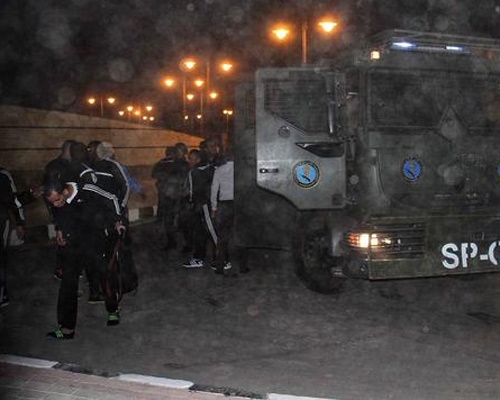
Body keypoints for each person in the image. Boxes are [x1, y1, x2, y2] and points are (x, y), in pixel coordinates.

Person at [44, 172, 126, 340]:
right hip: (73, 243)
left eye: (58, 200)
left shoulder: (88, 189)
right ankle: (67, 328)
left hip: (96, 240)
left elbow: (111, 198)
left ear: (65, 191)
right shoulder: (57, 200)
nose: (56, 204)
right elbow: (59, 213)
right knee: (68, 282)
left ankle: (112, 310)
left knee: (105, 274)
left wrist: (118, 221)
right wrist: (59, 228)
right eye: (52, 202)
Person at [43, 140, 76, 281]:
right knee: (64, 241)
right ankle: (61, 270)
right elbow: (50, 195)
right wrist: (58, 225)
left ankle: (71, 269)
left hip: (70, 211)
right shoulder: (55, 167)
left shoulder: (68, 165)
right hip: (62, 211)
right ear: (69, 150)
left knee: (71, 241)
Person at [152, 143, 189, 252]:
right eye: (177, 150)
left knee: (181, 222)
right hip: (169, 196)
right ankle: (172, 243)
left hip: (180, 196)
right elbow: (156, 174)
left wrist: (167, 179)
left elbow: (183, 180)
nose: (178, 153)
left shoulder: (185, 165)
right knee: (169, 221)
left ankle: (185, 244)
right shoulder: (170, 163)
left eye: (180, 150)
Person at [182, 149, 215, 268]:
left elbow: (191, 192)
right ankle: (199, 257)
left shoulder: (194, 172)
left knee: (209, 231)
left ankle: (222, 258)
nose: (189, 161)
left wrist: (191, 202)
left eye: (191, 159)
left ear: (198, 159)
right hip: (211, 203)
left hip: (202, 204)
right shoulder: (212, 168)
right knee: (203, 231)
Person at [0, 168, 27, 307]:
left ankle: (2, 291)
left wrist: (19, 223)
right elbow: (13, 201)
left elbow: (12, 201)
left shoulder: (3, 176)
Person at [210, 150, 235, 275]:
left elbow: (214, 189)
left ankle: (220, 264)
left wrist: (214, 208)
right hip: (237, 203)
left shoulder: (219, 170)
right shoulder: (239, 170)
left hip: (224, 204)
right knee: (238, 234)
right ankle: (241, 265)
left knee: (222, 236)